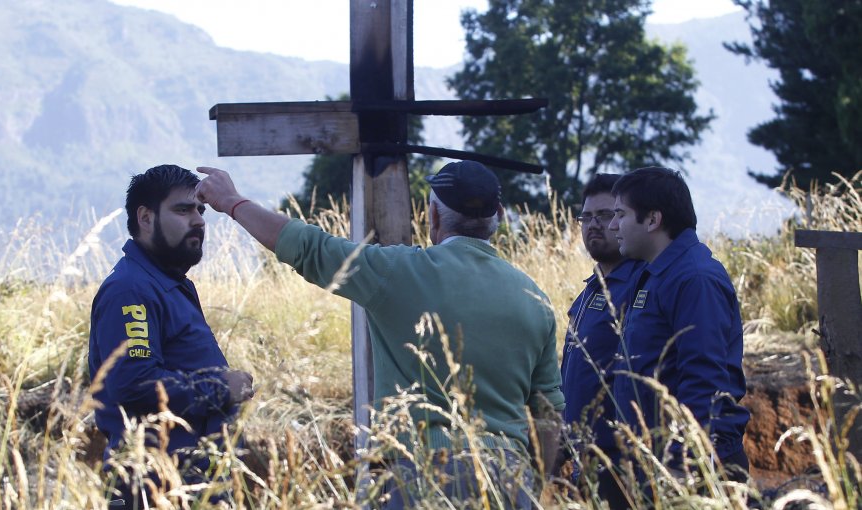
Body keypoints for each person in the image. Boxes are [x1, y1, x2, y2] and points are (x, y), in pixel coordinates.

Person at [195, 160, 565, 508]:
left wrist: (232, 202)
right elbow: (549, 413)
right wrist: (536, 482)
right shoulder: (535, 298)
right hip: (509, 478)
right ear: (498, 217)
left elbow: (308, 247)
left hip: (418, 471)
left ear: (433, 216)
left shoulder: (399, 271)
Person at [88, 164, 254, 509]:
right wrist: (223, 386)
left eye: (200, 210)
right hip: (155, 487)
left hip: (191, 484)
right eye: (183, 209)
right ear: (145, 217)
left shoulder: (167, 284)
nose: (198, 220)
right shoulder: (130, 289)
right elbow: (136, 384)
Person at [607, 166, 751, 483]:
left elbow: (704, 378)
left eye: (621, 214)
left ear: (653, 220)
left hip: (689, 470)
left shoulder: (695, 279)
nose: (613, 225)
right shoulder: (652, 273)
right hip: (653, 462)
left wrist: (683, 460)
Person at [556, 174, 643, 503]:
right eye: (586, 217)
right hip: (584, 461)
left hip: (620, 463)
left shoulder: (639, 285)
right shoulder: (591, 290)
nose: (594, 225)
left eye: (605, 215)